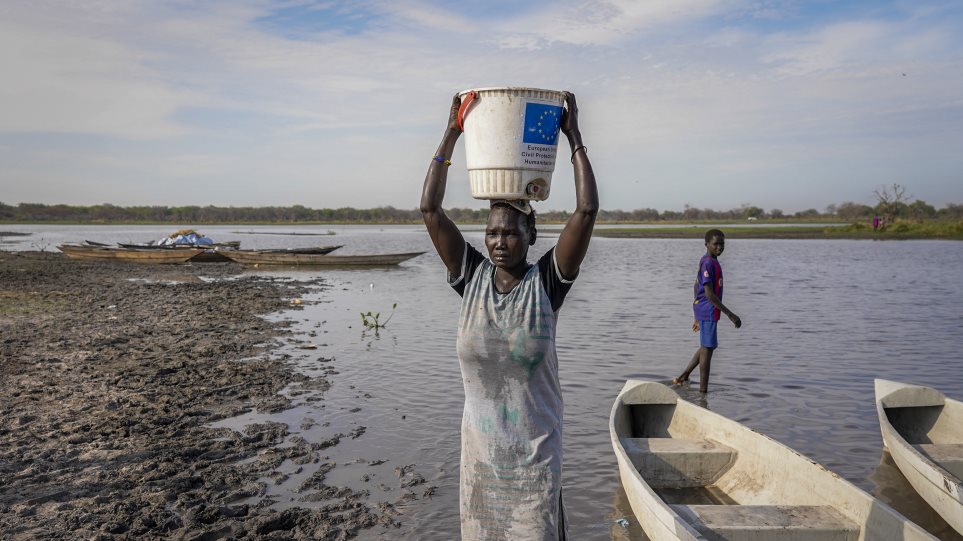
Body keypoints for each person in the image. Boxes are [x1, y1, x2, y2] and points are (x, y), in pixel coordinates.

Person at [420, 91, 598, 540]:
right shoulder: (471, 277)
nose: (500, 242)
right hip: (481, 460)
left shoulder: (546, 284)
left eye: (511, 233)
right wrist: (453, 131)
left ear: (531, 234)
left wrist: (573, 135)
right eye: (492, 233)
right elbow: (429, 209)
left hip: (534, 460)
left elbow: (587, 210)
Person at [672, 229, 741, 393]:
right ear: (707, 244)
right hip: (708, 309)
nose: (719, 247)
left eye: (722, 244)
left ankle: (684, 376)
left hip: (706, 309)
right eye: (715, 244)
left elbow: (696, 286)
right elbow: (709, 294)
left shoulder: (712, 261)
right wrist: (730, 315)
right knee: (707, 350)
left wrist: (696, 312)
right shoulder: (708, 262)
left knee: (707, 347)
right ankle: (703, 392)